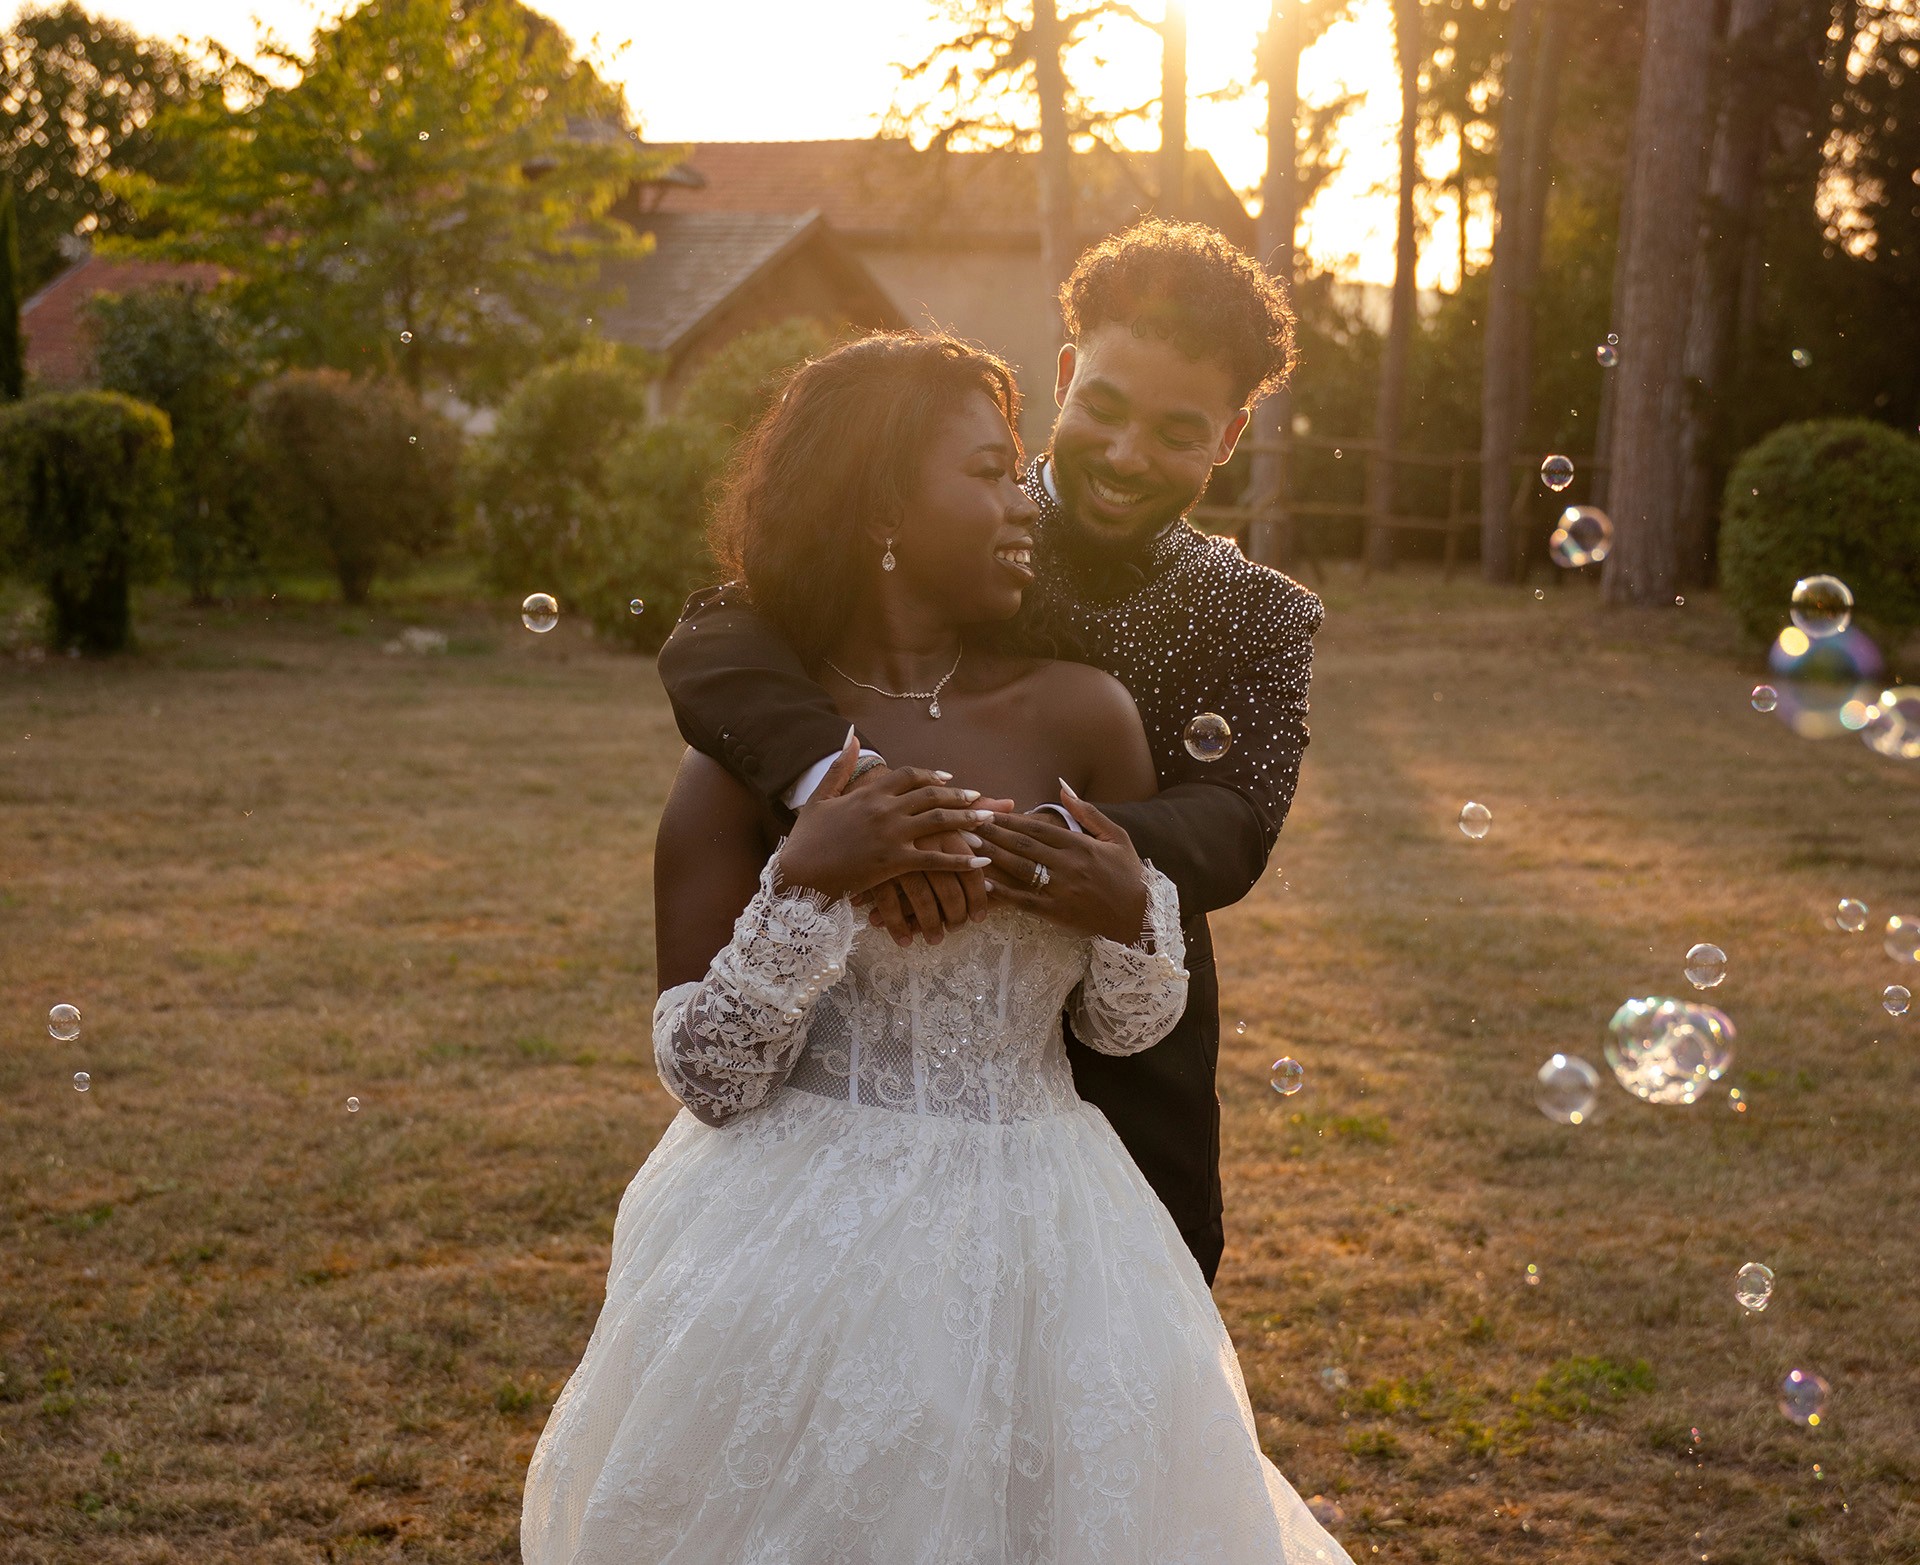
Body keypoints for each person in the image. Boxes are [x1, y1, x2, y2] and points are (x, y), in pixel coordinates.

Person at [521, 333, 1350, 1563]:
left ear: (1228, 436)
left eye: (1018, 470)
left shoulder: (1089, 708)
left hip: (1057, 1219)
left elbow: (1131, 1009)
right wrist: (813, 869)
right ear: (880, 511)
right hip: (795, 1238)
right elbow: (708, 1072)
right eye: (991, 472)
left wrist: (1125, 899)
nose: (1029, 504)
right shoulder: (752, 740)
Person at [657, 219, 1321, 1284]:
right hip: (855, 1082)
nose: (1125, 454)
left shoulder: (1257, 612)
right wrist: (854, 786)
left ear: (1230, 435)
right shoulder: (957, 520)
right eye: (1104, 407)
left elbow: (1236, 819)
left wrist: (1023, 842)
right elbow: (720, 637)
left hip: (1118, 1062)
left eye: (1176, 431)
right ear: (1064, 376)